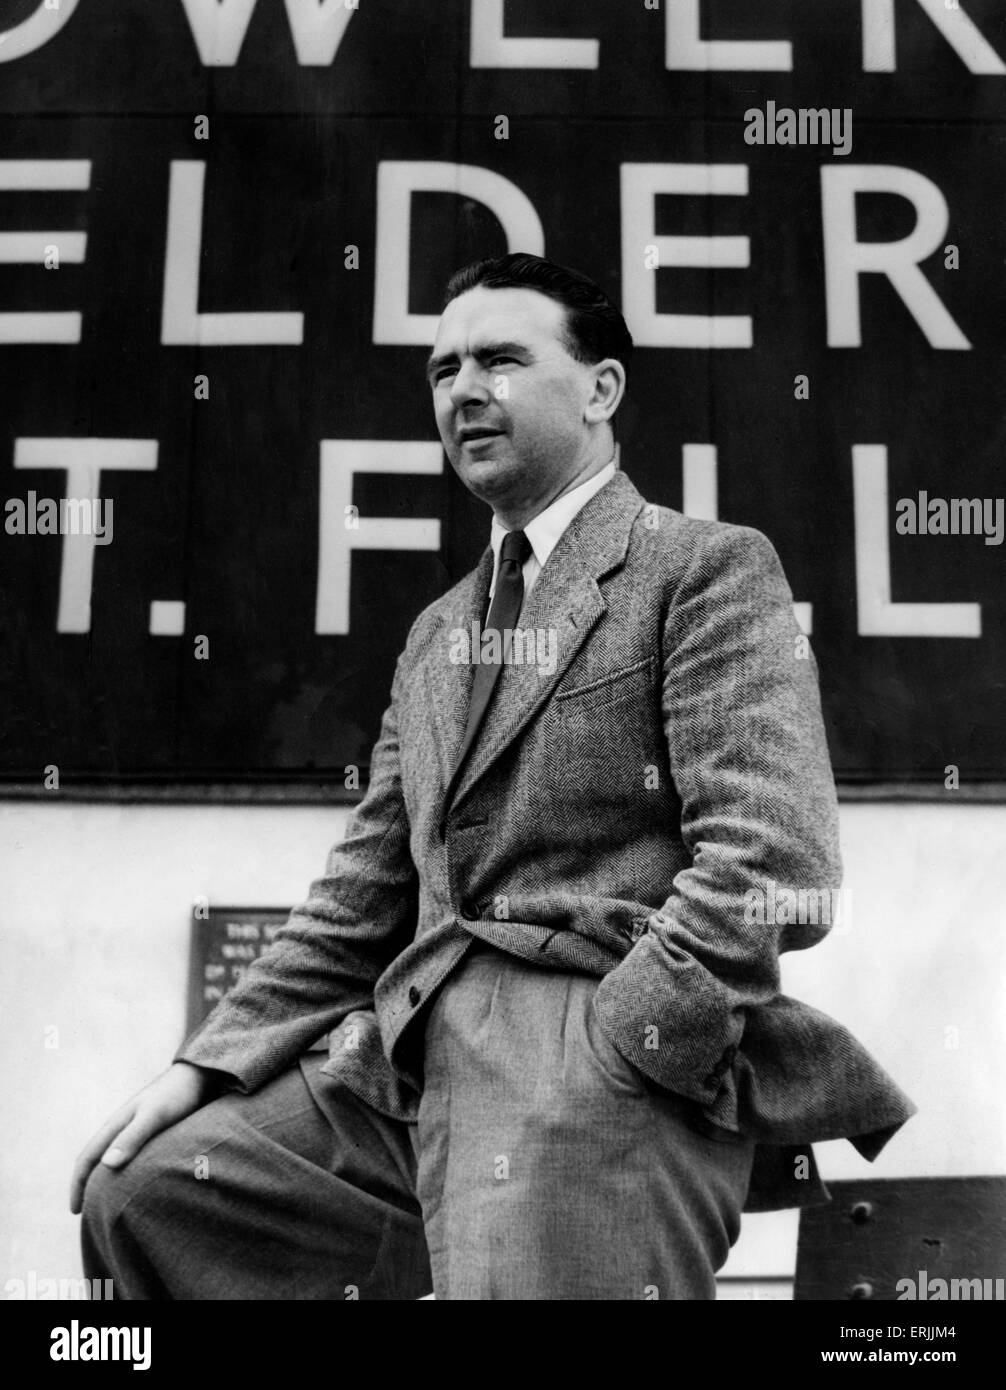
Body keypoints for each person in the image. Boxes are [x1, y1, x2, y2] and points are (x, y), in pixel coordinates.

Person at [72, 253, 914, 1300]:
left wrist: (621, 1041)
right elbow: (360, 901)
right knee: (156, 1196)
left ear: (601, 390)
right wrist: (203, 1066)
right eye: (441, 369)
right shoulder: (434, 637)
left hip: (594, 1052)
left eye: (502, 358)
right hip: (406, 1070)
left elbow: (772, 858)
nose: (462, 389)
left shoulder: (701, 568)